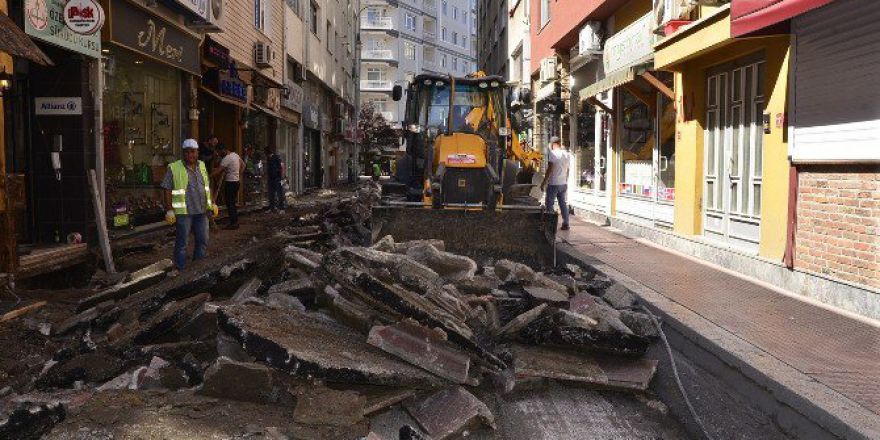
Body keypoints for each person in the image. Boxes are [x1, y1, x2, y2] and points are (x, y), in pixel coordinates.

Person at [162, 139, 219, 269]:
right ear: (183, 153)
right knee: (182, 243)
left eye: (193, 152)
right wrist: (169, 210)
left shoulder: (202, 166)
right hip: (184, 213)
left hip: (202, 211)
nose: (190, 155)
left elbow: (207, 186)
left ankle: (196, 268)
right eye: (187, 152)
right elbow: (166, 188)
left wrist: (213, 203)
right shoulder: (174, 167)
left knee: (203, 241)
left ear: (197, 152)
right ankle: (180, 269)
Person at [540, 136, 571, 231]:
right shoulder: (566, 154)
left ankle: (550, 224)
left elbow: (550, 169)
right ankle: (566, 223)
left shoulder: (553, 154)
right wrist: (566, 179)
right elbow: (568, 169)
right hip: (563, 183)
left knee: (549, 203)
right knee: (563, 204)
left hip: (554, 183)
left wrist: (544, 182)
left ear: (553, 144)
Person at [213, 143, 244, 229]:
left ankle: (234, 223)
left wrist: (207, 176)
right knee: (232, 203)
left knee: (230, 203)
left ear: (223, 150)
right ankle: (235, 221)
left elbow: (218, 171)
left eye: (219, 152)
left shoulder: (226, 159)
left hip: (230, 183)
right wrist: (238, 175)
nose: (218, 154)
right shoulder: (235, 155)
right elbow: (243, 165)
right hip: (237, 182)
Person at [266, 146, 285, 211]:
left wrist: (280, 177)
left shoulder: (275, 157)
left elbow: (280, 167)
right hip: (271, 178)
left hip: (277, 178)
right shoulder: (268, 159)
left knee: (279, 193)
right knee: (271, 194)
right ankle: (272, 208)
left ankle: (281, 208)